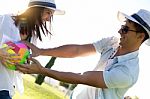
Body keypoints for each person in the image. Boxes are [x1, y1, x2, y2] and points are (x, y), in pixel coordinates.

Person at [16, 9, 150, 99]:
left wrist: (42, 70)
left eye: (125, 29)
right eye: (122, 27)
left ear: (140, 36)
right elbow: (77, 50)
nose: (120, 31)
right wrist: (41, 52)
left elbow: (82, 77)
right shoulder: (112, 42)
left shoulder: (128, 72)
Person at [0, 0, 64, 98]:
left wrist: (25, 67)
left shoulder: (32, 36)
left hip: (6, 87)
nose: (48, 19)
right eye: (48, 13)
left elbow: (21, 61)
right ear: (36, 9)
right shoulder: (6, 20)